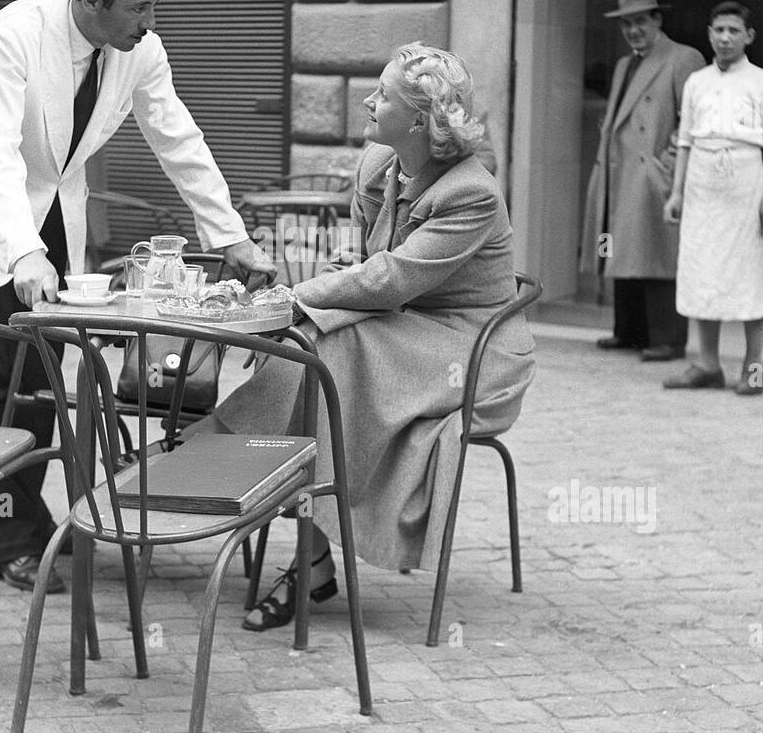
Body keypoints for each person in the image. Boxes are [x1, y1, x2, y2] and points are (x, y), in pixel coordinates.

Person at [0, 0, 276, 592]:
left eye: (155, 6)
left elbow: (179, 139)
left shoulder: (138, 49)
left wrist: (231, 237)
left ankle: (43, 523)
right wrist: (22, 252)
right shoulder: (13, 34)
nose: (150, 21)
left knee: (45, 385)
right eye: (138, 8)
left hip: (54, 223)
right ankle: (5, 544)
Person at [197, 42, 536, 631]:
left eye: (384, 95)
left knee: (330, 347)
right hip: (405, 324)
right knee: (315, 347)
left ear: (422, 121)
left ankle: (215, 459)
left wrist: (294, 299)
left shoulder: (471, 193)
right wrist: (320, 291)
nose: (368, 101)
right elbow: (360, 261)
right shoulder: (380, 165)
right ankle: (284, 525)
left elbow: (390, 279)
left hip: (468, 344)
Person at [664, 2, 763, 395]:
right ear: (709, 33)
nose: (725, 38)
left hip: (744, 181)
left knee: (748, 275)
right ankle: (706, 364)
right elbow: (684, 141)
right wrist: (677, 192)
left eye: (734, 30)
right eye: (718, 30)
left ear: (748, 36)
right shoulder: (697, 82)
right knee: (703, 272)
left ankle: (753, 367)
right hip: (701, 181)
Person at [581, 0, 704, 361]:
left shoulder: (683, 58)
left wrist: (667, 164)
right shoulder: (624, 64)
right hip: (620, 170)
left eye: (640, 22)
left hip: (650, 172)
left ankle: (668, 339)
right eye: (627, 24)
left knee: (657, 258)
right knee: (625, 253)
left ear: (657, 20)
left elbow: (693, 119)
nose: (633, 30)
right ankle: (630, 332)